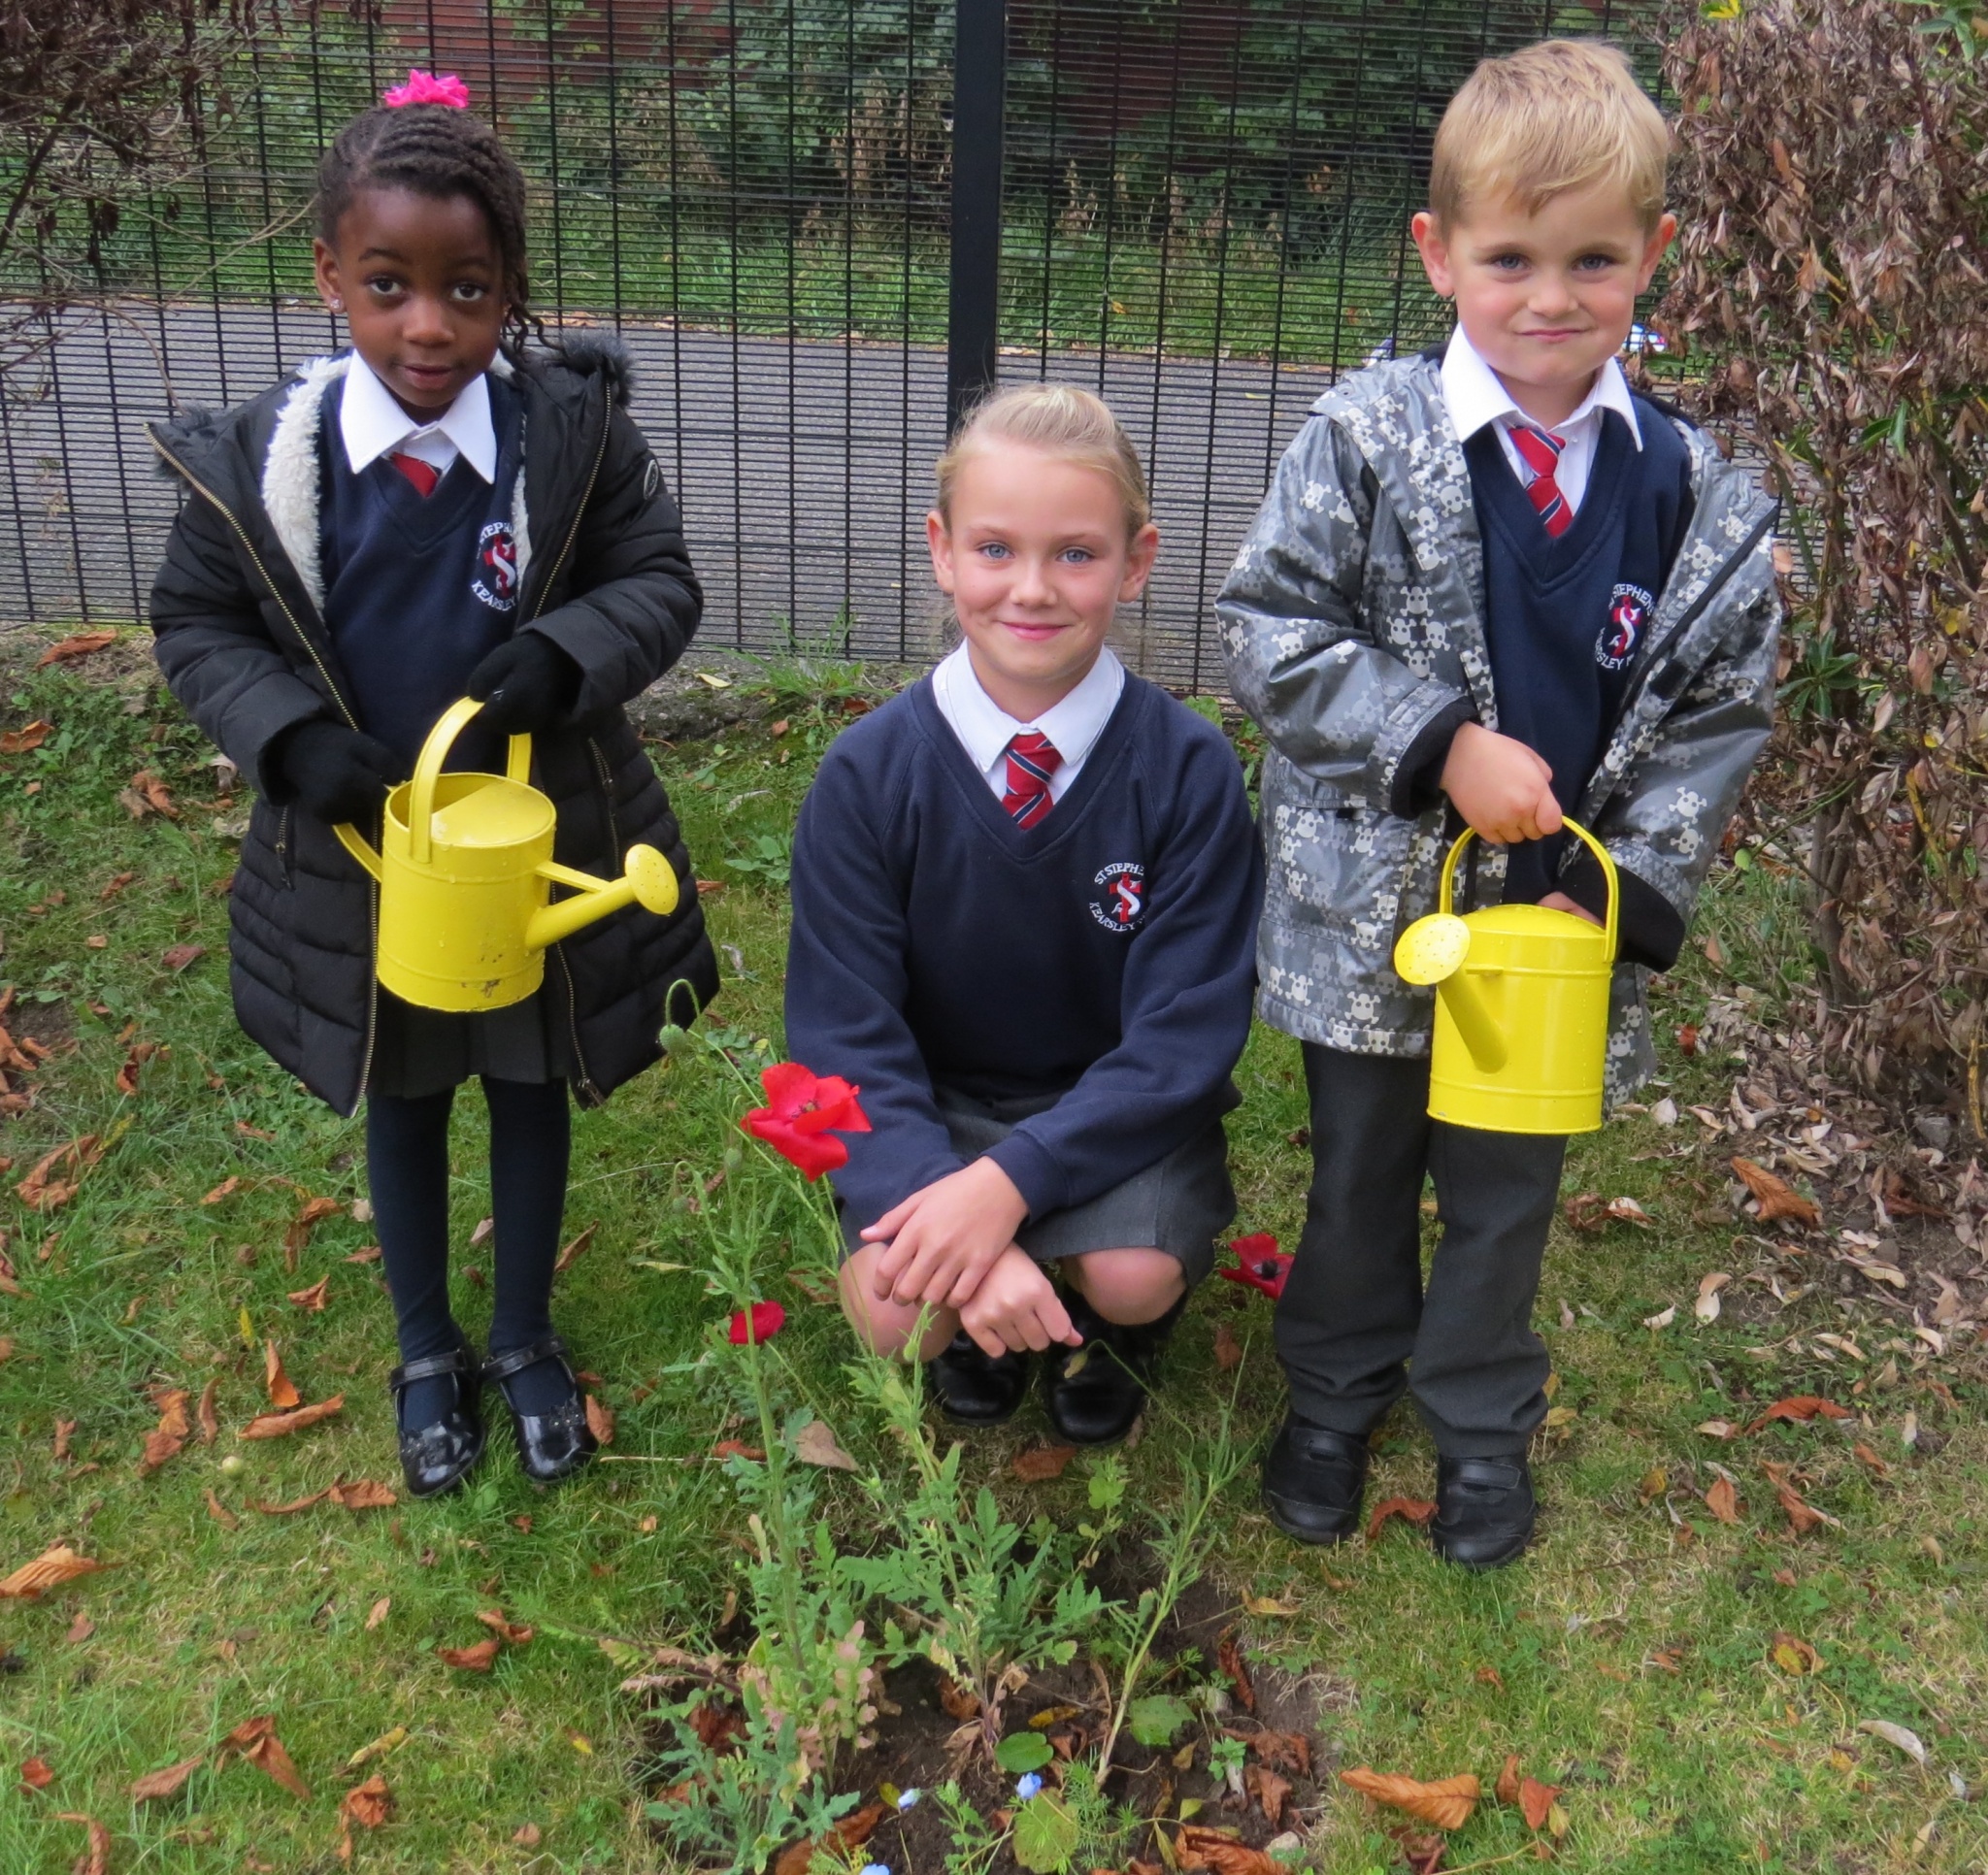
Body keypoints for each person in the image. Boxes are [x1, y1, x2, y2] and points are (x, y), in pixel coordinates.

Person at [1219, 39, 1779, 1566]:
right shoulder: (1366, 440)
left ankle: (1478, 1423)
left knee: (1503, 1191)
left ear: (1652, 255)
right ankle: (1334, 1395)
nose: (1551, 297)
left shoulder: (1688, 489)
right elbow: (1272, 629)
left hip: (1545, 933)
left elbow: (1722, 701)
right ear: (1439, 254)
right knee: (1360, 1174)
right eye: (1511, 257)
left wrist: (1634, 874)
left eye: (1594, 259)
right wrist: (1435, 738)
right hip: (1371, 919)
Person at [148, 71, 718, 1498]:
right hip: (364, 861)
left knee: (529, 1090)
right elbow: (196, 625)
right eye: (390, 283)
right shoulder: (264, 469)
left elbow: (659, 581)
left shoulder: (569, 440)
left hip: (531, 858)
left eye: (467, 290)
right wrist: (287, 741)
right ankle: (424, 1349)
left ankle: (522, 1337)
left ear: (509, 290)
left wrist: (567, 654)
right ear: (331, 273)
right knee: (403, 1100)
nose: (428, 325)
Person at [785, 384, 1262, 1445]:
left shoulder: (1186, 769)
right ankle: (979, 1326)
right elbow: (842, 1027)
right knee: (897, 1314)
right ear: (941, 551)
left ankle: (1100, 1324)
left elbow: (1185, 1035)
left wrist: (1013, 1186)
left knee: (1135, 1274)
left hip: (1110, 1113)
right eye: (995, 550)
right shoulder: (868, 774)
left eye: (1076, 555)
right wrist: (949, 1206)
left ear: (1134, 562)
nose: (1033, 591)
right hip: (931, 1106)